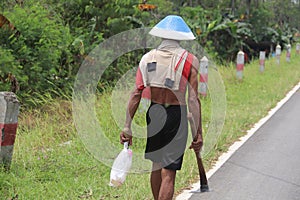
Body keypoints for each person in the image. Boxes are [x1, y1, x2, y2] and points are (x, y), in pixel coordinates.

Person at [120, 15, 203, 200]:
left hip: (154, 113)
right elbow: (193, 100)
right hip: (176, 115)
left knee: (156, 166)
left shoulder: (147, 59)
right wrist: (198, 133)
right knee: (169, 172)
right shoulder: (190, 60)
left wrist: (127, 126)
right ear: (181, 37)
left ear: (161, 36)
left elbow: (136, 93)